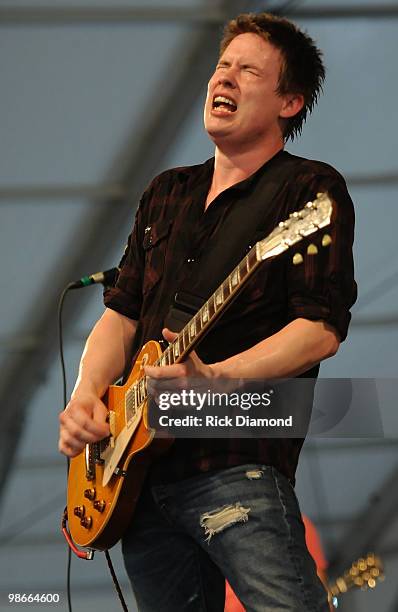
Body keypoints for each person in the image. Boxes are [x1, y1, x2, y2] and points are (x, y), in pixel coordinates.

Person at [59, 12, 356, 611]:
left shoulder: (307, 191)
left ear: (289, 102)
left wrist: (215, 379)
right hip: (135, 480)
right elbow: (121, 314)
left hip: (233, 462)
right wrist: (86, 395)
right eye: (223, 65)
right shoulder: (167, 191)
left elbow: (320, 330)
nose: (226, 77)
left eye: (249, 71)